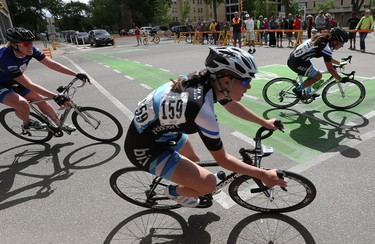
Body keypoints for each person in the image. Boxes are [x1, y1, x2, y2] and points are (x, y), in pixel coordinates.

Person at [125, 46, 287, 207]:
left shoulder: (206, 81)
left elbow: (232, 106)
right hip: (144, 150)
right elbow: (222, 159)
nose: (249, 86)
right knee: (209, 184)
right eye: (246, 81)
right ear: (226, 80)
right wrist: (263, 174)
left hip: (159, 132)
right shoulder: (201, 110)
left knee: (194, 160)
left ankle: (188, 184)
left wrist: (263, 122)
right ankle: (172, 192)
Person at [0, 27, 90, 131]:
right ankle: (27, 123)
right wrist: (55, 96)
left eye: (31, 42)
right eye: (25, 44)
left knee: (40, 99)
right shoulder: (5, 58)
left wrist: (76, 74)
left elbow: (50, 64)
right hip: (1, 85)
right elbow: (28, 84)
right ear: (13, 45)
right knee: (23, 104)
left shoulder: (31, 50)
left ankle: (59, 123)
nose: (30, 46)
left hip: (14, 80)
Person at [287, 27, 349, 99]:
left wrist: (339, 63)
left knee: (314, 72)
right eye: (341, 43)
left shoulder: (321, 39)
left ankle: (308, 92)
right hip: (296, 62)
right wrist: (340, 79)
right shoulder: (325, 47)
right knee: (318, 76)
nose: (342, 46)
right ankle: (297, 90)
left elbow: (328, 58)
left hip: (298, 59)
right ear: (335, 41)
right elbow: (330, 69)